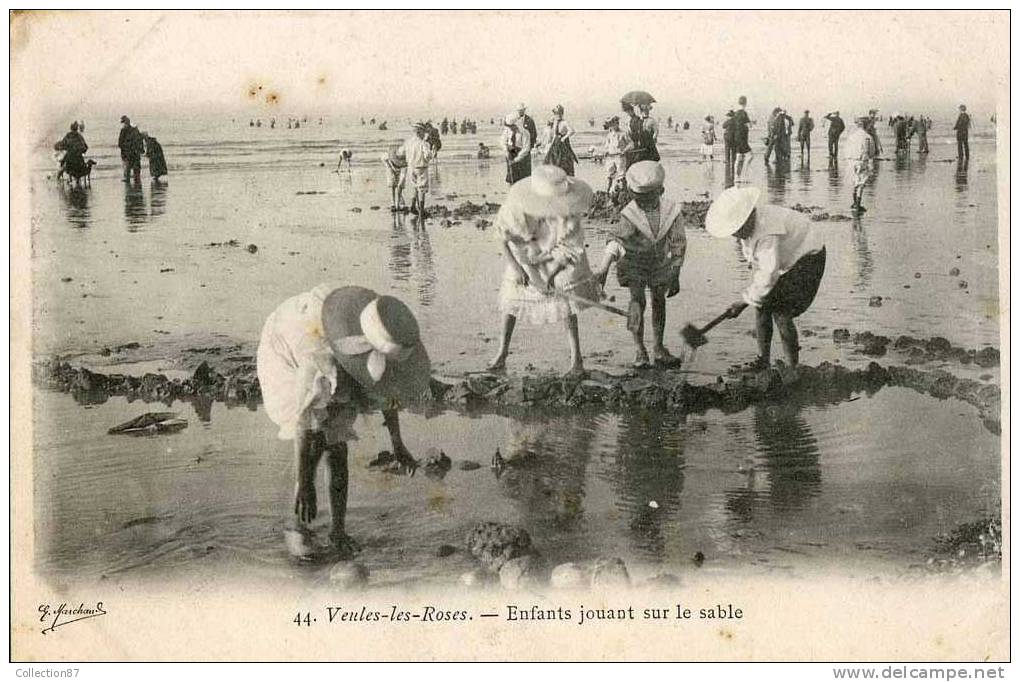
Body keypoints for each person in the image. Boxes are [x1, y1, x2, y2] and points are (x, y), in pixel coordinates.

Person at [257, 283, 429, 559]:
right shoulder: (319, 357)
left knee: (337, 449)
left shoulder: (384, 340)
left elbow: (387, 395)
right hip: (290, 340)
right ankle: (296, 523)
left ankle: (338, 530)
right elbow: (304, 421)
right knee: (315, 439)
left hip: (336, 351)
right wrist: (305, 482)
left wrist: (398, 445)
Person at [487, 165, 598, 376]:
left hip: (555, 258)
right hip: (523, 257)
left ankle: (577, 360)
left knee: (567, 303)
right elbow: (504, 239)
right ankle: (502, 353)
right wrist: (520, 269)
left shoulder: (569, 213)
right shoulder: (515, 209)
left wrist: (551, 277)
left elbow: (569, 249)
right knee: (511, 300)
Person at [705, 186, 826, 371]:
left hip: (809, 254)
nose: (735, 235)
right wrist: (753, 298)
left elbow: (769, 272)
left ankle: (792, 367)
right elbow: (765, 271)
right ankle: (763, 360)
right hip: (790, 257)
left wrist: (743, 302)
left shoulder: (767, 231)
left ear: (748, 218)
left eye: (737, 230)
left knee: (781, 311)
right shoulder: (751, 224)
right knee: (762, 304)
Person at [595, 161, 687, 369]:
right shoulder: (629, 214)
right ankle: (639, 349)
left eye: (648, 197)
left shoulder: (672, 211)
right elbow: (616, 242)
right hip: (633, 262)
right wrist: (603, 268)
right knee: (637, 302)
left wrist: (675, 271)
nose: (643, 202)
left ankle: (658, 347)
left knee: (659, 301)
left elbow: (678, 243)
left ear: (660, 190)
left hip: (659, 262)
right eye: (639, 197)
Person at [401, 122, 435, 216]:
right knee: (422, 189)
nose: (425, 134)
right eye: (424, 132)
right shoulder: (423, 143)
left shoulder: (408, 142)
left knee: (414, 186)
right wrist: (431, 154)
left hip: (411, 167)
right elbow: (428, 155)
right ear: (420, 132)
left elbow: (401, 153)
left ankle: (412, 206)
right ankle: (421, 210)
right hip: (421, 167)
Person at [844, 114, 874, 214]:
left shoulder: (852, 136)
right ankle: (858, 204)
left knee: (854, 182)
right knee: (861, 184)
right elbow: (871, 152)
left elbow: (846, 150)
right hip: (862, 161)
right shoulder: (868, 137)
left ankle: (854, 203)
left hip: (851, 161)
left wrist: (849, 160)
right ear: (866, 125)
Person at [543, 104, 578, 176]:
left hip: (563, 144)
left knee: (563, 161)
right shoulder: (555, 122)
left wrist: (564, 138)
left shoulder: (565, 122)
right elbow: (554, 134)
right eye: (556, 113)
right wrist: (551, 145)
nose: (557, 115)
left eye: (559, 113)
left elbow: (572, 131)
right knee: (551, 160)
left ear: (562, 113)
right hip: (556, 143)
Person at [501, 112, 532, 185]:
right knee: (511, 177)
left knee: (523, 179)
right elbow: (503, 141)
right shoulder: (508, 130)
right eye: (509, 126)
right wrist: (506, 152)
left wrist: (516, 159)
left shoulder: (525, 133)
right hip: (511, 153)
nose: (510, 128)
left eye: (512, 126)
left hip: (522, 156)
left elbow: (526, 149)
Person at [602, 116, 630, 192]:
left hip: (620, 157)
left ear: (617, 123)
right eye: (610, 124)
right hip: (610, 157)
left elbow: (631, 144)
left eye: (613, 123)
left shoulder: (623, 133)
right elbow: (607, 146)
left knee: (621, 176)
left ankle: (623, 192)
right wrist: (606, 152)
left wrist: (624, 151)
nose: (612, 126)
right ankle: (607, 191)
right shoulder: (609, 135)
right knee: (609, 175)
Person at [117, 115, 145, 183]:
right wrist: (141, 149)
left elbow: (120, 143)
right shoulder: (135, 130)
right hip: (135, 153)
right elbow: (140, 140)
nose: (124, 124)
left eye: (123, 122)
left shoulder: (123, 130)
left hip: (128, 153)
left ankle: (129, 181)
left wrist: (123, 149)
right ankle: (136, 183)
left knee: (128, 169)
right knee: (136, 171)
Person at [732, 95, 754, 178]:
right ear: (745, 103)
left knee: (738, 156)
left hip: (737, 137)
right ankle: (744, 173)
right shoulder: (744, 113)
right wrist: (752, 123)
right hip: (743, 138)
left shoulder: (736, 113)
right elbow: (749, 125)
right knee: (750, 156)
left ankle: (737, 176)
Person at [381, 145, 407, 211]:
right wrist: (391, 167)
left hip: (401, 169)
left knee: (399, 185)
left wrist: (400, 184)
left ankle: (401, 202)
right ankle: (392, 203)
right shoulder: (387, 156)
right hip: (389, 167)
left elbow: (402, 177)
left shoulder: (405, 162)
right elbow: (385, 161)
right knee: (392, 184)